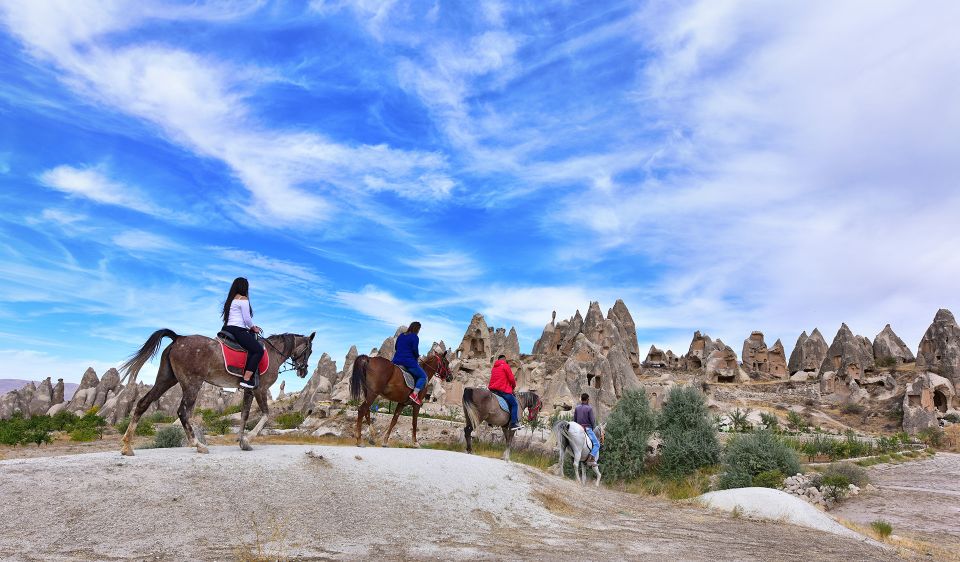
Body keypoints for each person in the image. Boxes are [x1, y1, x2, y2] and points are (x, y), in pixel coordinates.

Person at [221, 277, 263, 390]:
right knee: (258, 350)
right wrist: (254, 328)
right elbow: (247, 319)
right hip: (237, 330)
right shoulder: (243, 299)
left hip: (227, 328)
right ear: (244, 287)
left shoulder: (230, 300)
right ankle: (246, 379)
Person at [393, 322, 428, 405]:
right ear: (417, 329)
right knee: (423, 376)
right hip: (408, 362)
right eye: (419, 329)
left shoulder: (401, 335)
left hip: (395, 361)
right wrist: (417, 356)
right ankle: (414, 394)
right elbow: (415, 350)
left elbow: (396, 347)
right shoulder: (415, 337)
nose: (419, 331)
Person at [488, 354, 522, 431]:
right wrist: (513, 387)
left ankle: (490, 420)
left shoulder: (494, 368)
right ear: (504, 359)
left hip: (493, 390)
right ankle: (513, 423)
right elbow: (511, 379)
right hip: (502, 390)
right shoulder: (505, 366)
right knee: (514, 404)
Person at [574, 393, 600, 466]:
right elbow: (592, 421)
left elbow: (575, 420)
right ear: (588, 400)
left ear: (581, 399)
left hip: (578, 428)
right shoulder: (589, 408)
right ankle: (591, 459)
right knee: (597, 444)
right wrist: (593, 427)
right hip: (587, 429)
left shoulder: (577, 408)